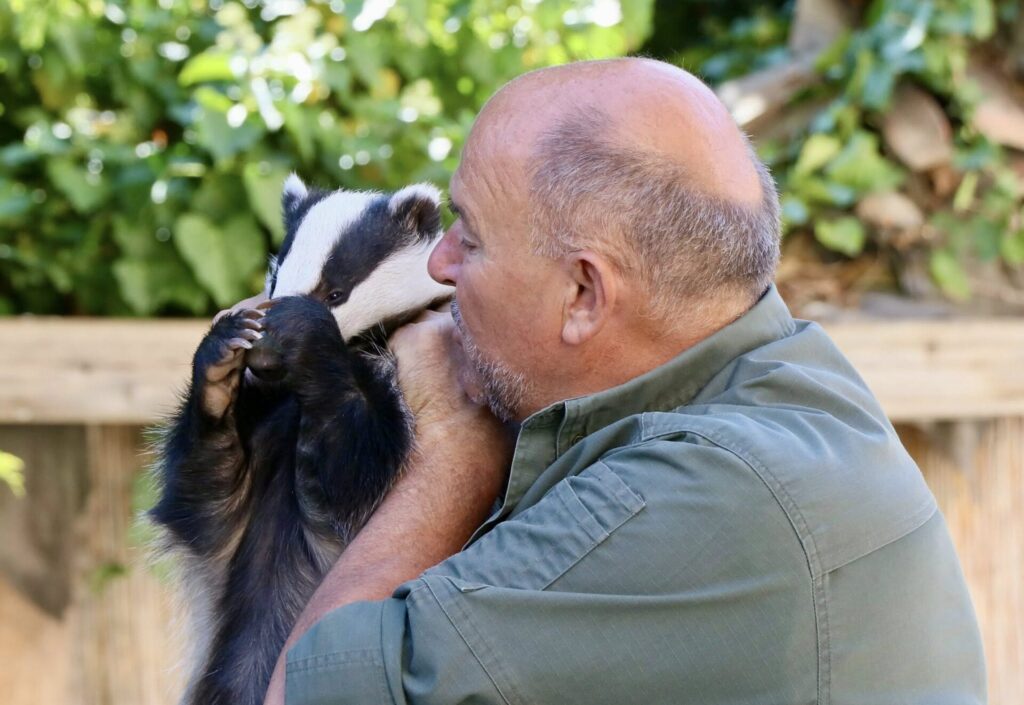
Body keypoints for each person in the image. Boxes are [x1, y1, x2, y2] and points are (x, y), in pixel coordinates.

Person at [263, 58, 986, 705]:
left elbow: (307, 693)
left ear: (583, 295)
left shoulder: (693, 499)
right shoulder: (790, 382)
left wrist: (453, 451)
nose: (439, 265)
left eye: (471, 237)